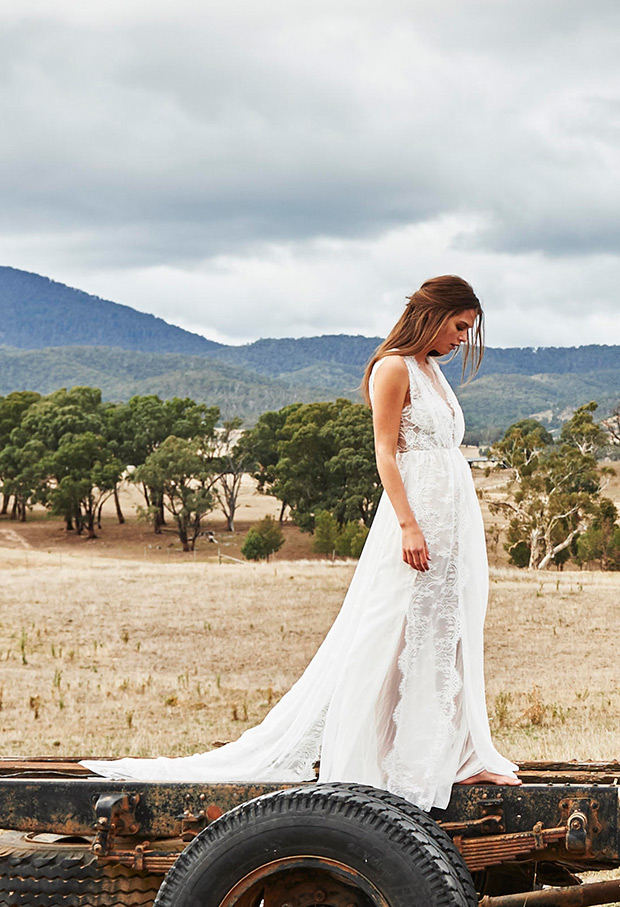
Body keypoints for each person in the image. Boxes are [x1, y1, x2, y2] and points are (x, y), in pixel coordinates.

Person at [81, 275, 520, 811]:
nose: (460, 340)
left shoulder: (432, 372)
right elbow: (386, 453)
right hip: (416, 520)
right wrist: (408, 524)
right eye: (458, 327)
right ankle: (369, 759)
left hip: (453, 523)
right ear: (432, 316)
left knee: (447, 633)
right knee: (390, 632)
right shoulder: (394, 368)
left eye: (466, 331)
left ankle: (452, 755)